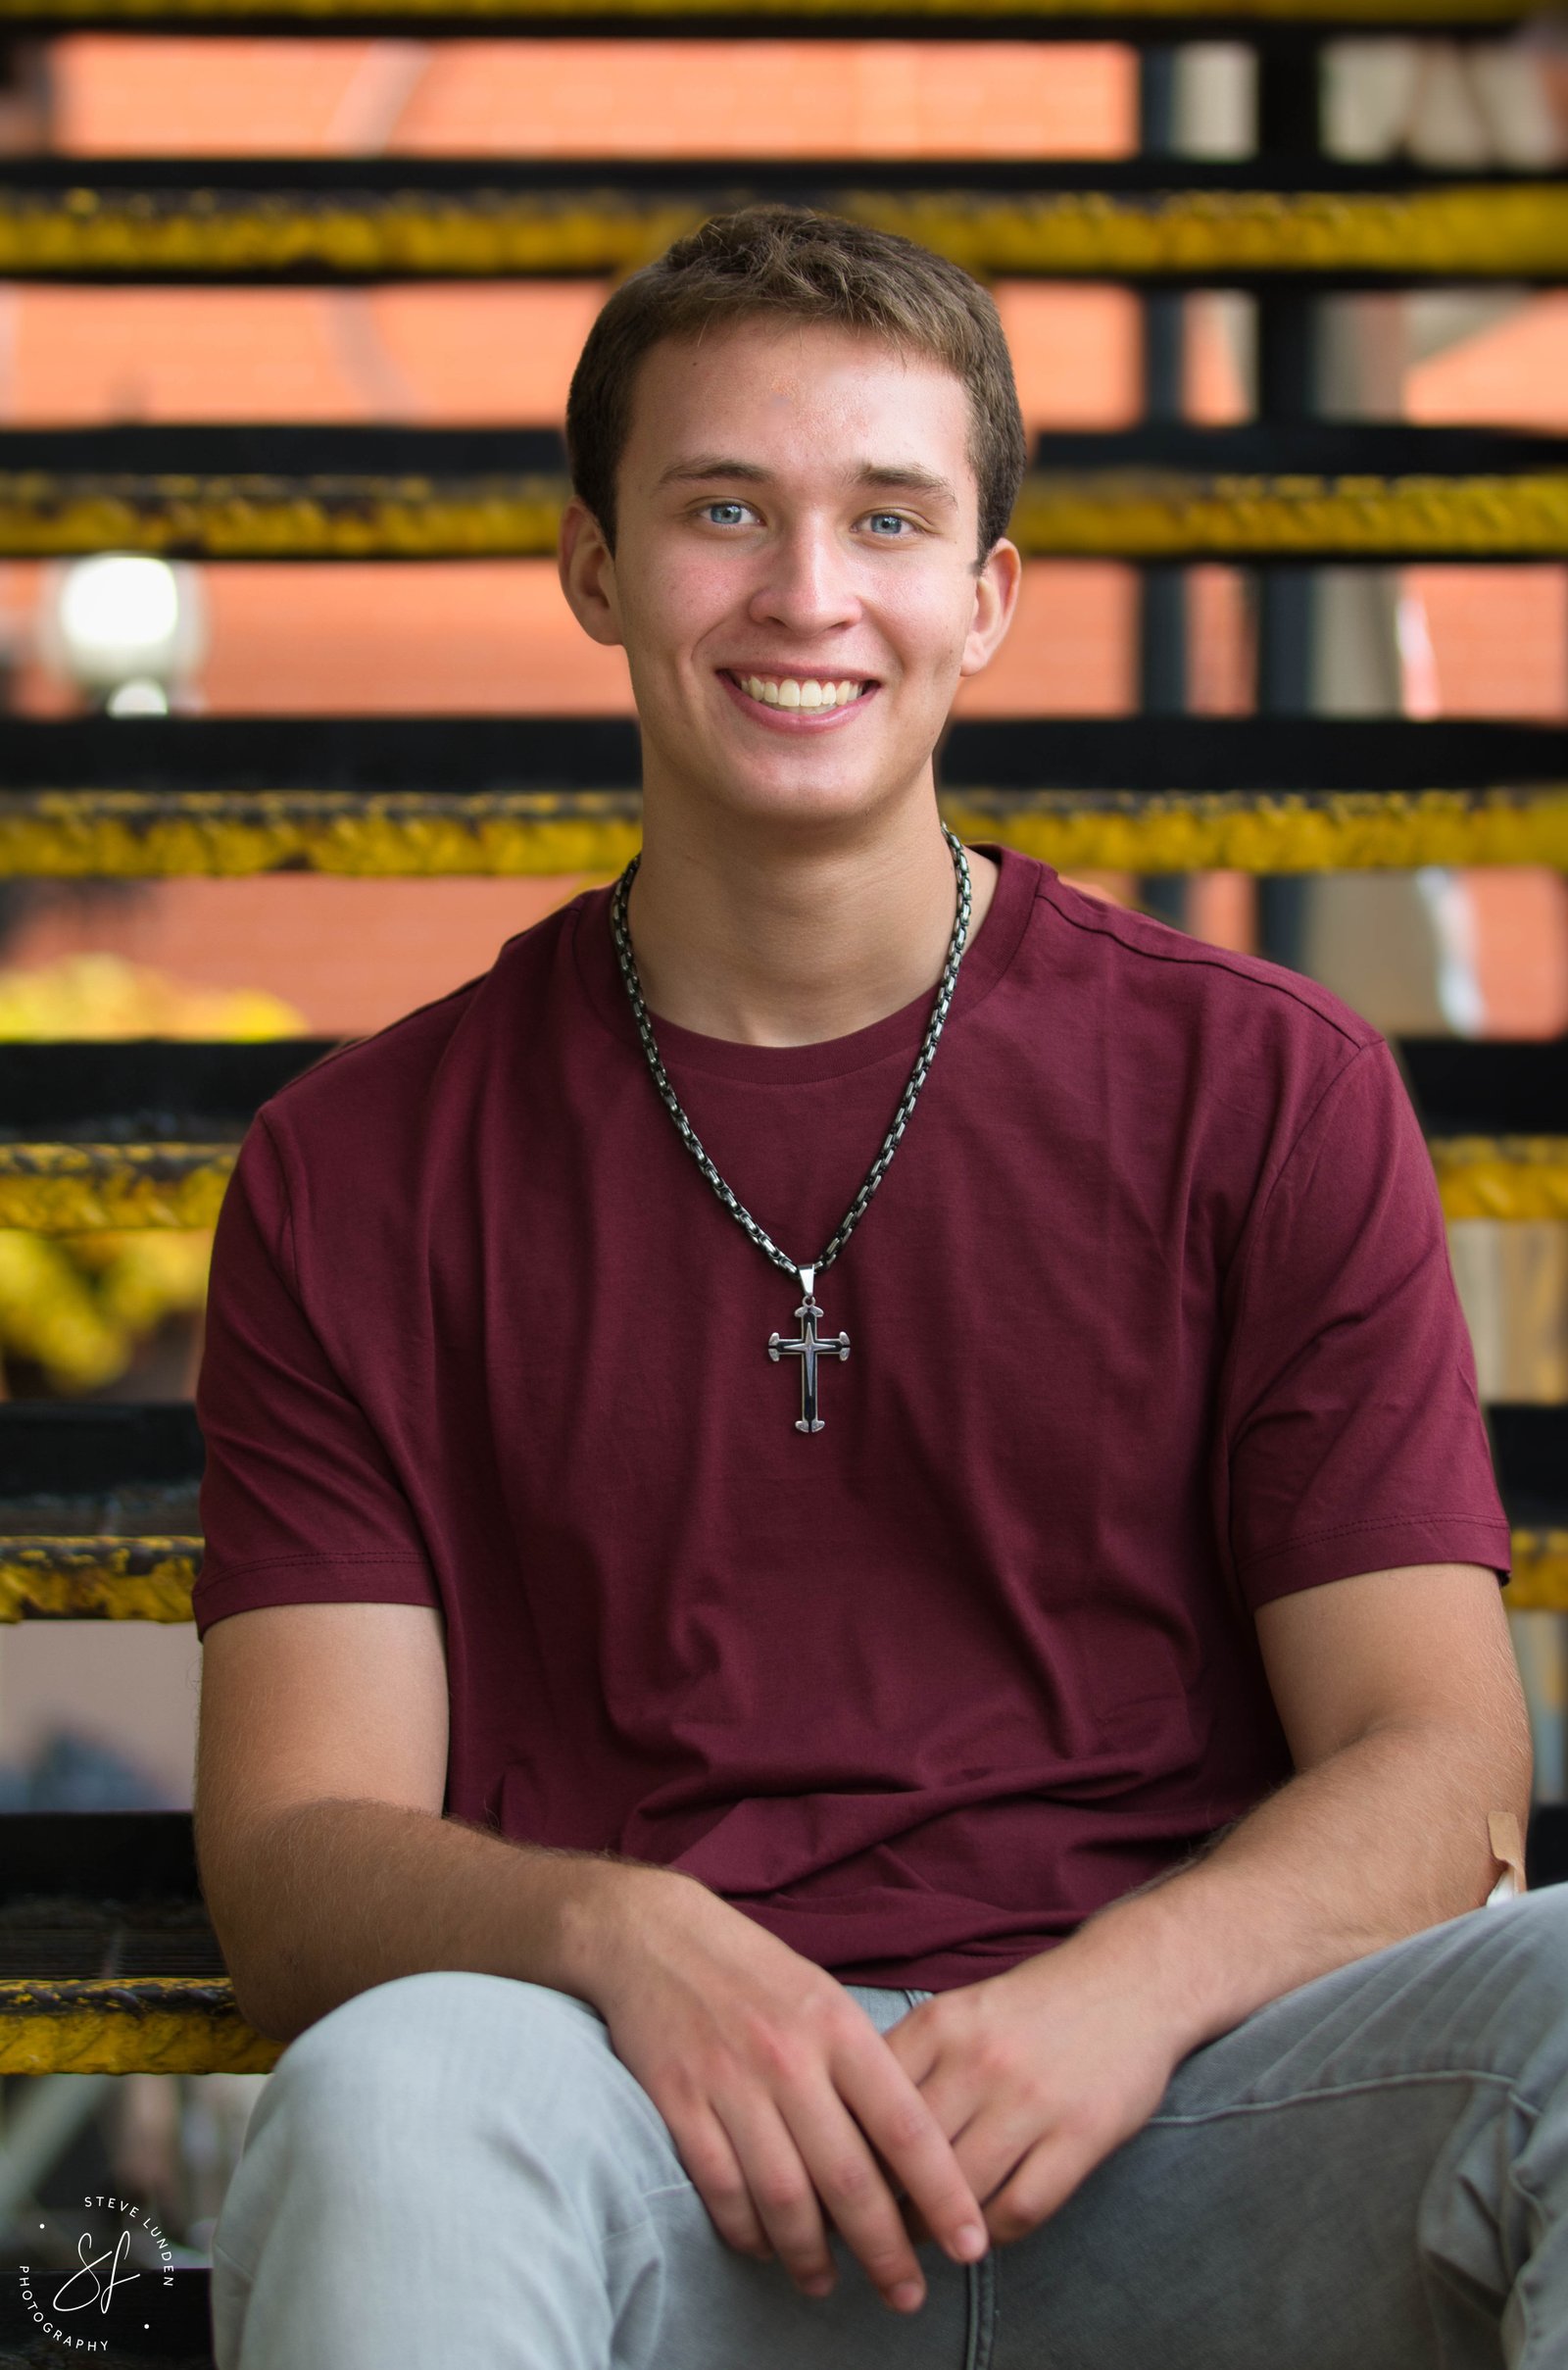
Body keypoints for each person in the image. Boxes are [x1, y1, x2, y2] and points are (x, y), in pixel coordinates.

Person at [191, 205, 1562, 2370]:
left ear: (985, 596)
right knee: (390, 2101)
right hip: (657, 2139)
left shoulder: (1255, 1086)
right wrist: (615, 1936)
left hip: (1189, 2124)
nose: (806, 593)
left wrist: (1117, 1997)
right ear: (593, 568)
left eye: (887, 517)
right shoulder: (358, 1166)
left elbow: (1437, 1756)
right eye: (721, 507)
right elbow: (290, 1855)